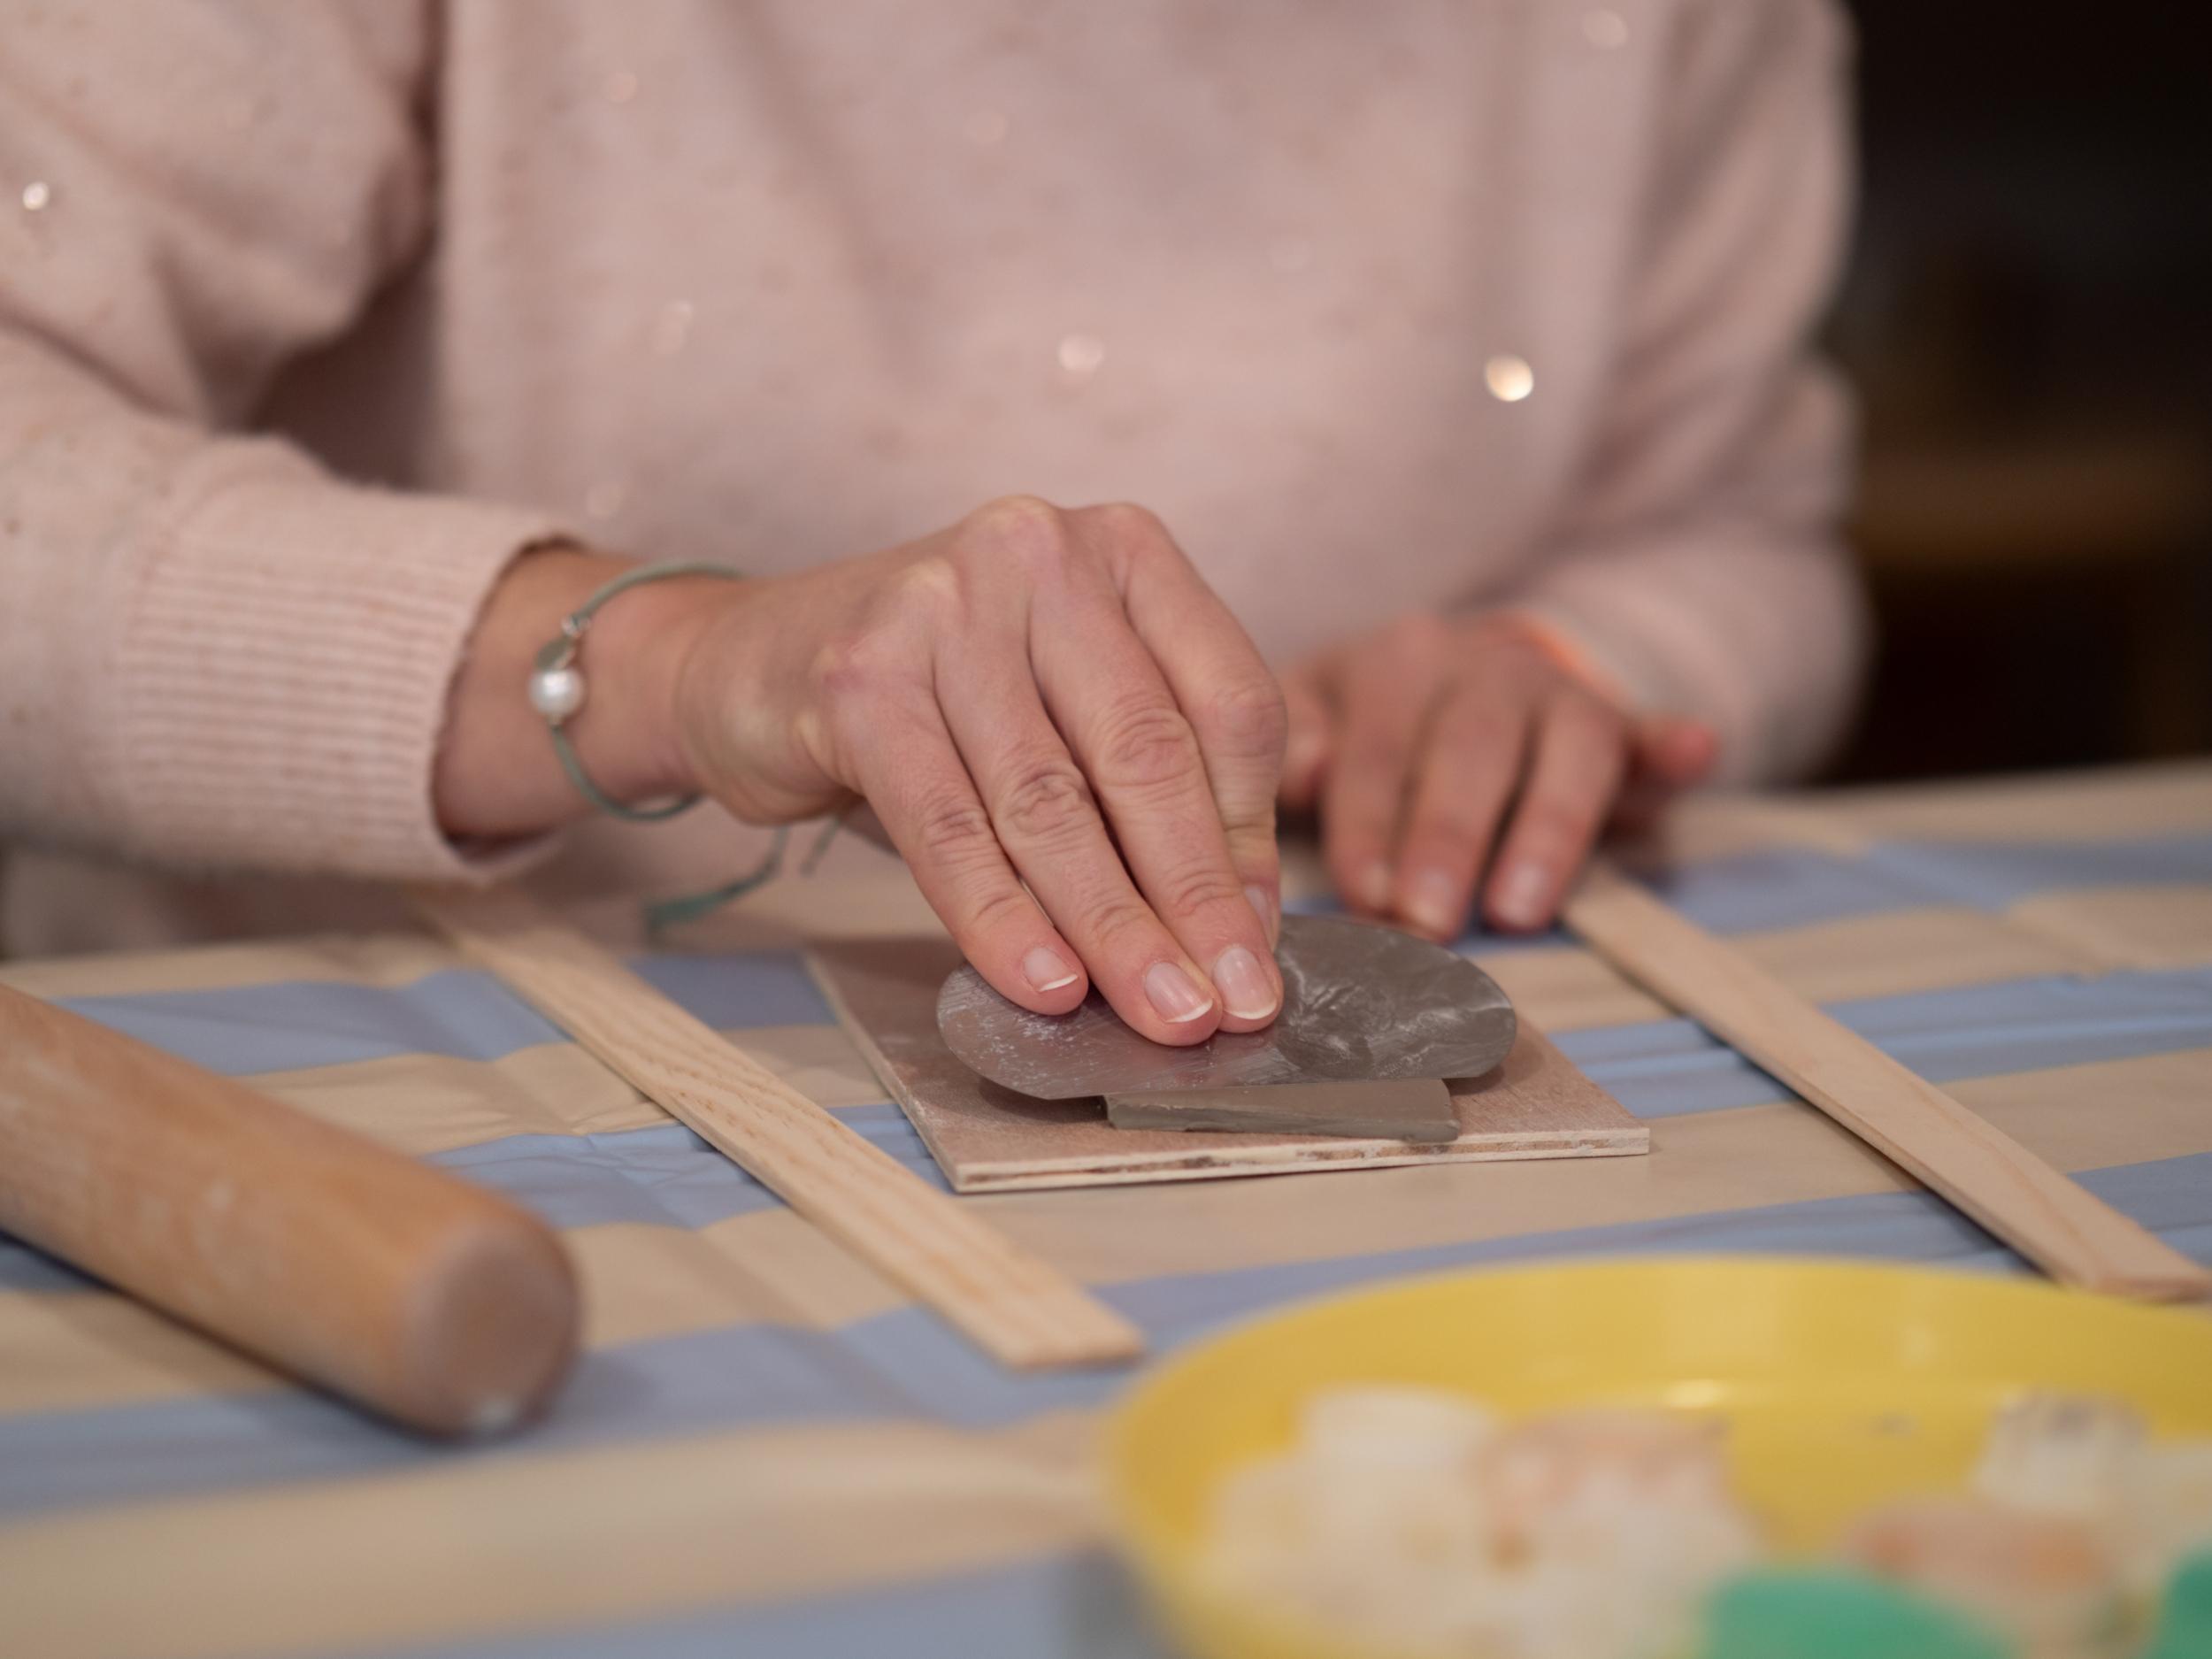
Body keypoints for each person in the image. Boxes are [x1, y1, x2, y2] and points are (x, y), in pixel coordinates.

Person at [0, 0, 1864, 1047]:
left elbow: (1736, 531)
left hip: (1332, 1142)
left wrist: (1567, 667)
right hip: (365, 1083)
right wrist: (661, 661)